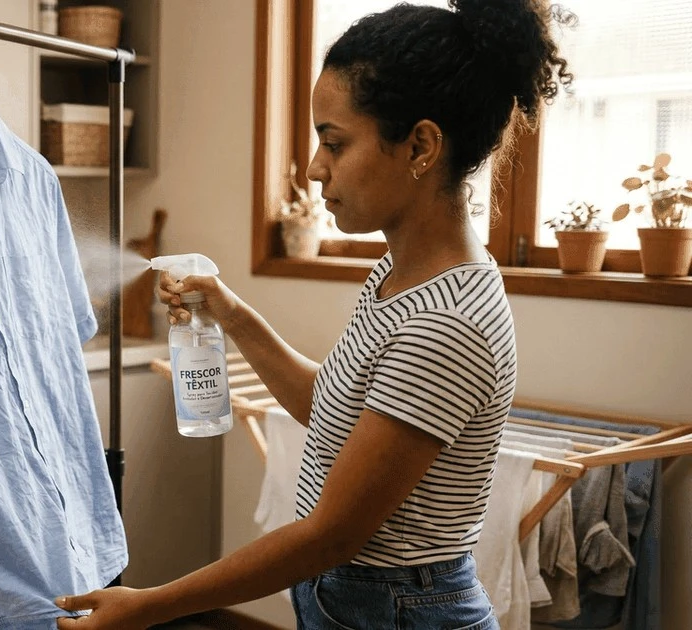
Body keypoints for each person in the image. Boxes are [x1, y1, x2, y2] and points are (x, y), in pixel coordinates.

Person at [55, 0, 574, 628]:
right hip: (362, 602)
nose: (314, 167)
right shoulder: (399, 275)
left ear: (421, 145)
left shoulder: (447, 323)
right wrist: (234, 314)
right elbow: (328, 406)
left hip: (398, 611)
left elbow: (331, 536)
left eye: (334, 142)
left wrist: (150, 607)